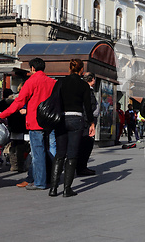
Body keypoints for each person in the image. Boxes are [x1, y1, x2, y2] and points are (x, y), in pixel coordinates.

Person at [0, 58, 56, 191]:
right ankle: (47, 178)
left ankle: (40, 182)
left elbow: (19, 102)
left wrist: (2, 114)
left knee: (38, 152)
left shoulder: (32, 81)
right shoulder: (52, 82)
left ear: (32, 68)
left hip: (35, 121)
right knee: (47, 150)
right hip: (49, 121)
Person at [49, 59, 95, 197]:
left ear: (70, 68)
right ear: (81, 70)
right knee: (72, 154)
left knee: (59, 154)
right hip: (76, 119)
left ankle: (53, 188)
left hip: (61, 119)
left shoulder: (60, 82)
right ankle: (67, 189)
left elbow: (54, 100)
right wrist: (91, 123)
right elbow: (87, 107)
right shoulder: (83, 85)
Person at [0, 87, 28, 172]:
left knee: (13, 145)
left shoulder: (2, 103)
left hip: (10, 126)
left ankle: (13, 164)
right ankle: (19, 165)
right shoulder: (19, 103)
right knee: (19, 146)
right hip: (20, 126)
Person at [76, 72, 99, 177]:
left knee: (84, 145)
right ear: (92, 79)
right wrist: (90, 122)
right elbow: (88, 107)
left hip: (86, 121)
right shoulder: (87, 91)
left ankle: (81, 167)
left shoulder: (83, 89)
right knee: (86, 145)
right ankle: (81, 168)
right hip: (87, 123)